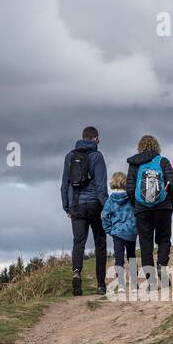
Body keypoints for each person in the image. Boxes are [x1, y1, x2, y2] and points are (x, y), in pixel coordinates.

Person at [61, 126, 108, 296]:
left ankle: (76, 273)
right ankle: (101, 284)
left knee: (78, 242)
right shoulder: (97, 156)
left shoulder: (70, 156)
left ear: (82, 137)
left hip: (77, 206)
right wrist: (108, 207)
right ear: (95, 138)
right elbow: (101, 187)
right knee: (100, 243)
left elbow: (64, 184)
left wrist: (67, 206)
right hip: (95, 206)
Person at [126, 135, 173, 289]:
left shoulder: (134, 164)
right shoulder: (162, 161)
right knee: (164, 239)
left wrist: (137, 205)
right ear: (156, 146)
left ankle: (151, 282)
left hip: (142, 210)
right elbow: (172, 183)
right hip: (163, 207)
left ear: (140, 147)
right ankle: (161, 265)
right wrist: (171, 201)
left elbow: (129, 188)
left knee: (145, 244)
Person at [101, 172, 137, 291]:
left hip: (117, 232)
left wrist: (109, 230)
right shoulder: (131, 197)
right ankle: (133, 283)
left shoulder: (110, 200)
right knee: (131, 257)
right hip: (131, 231)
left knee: (119, 258)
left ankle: (121, 284)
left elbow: (105, 216)